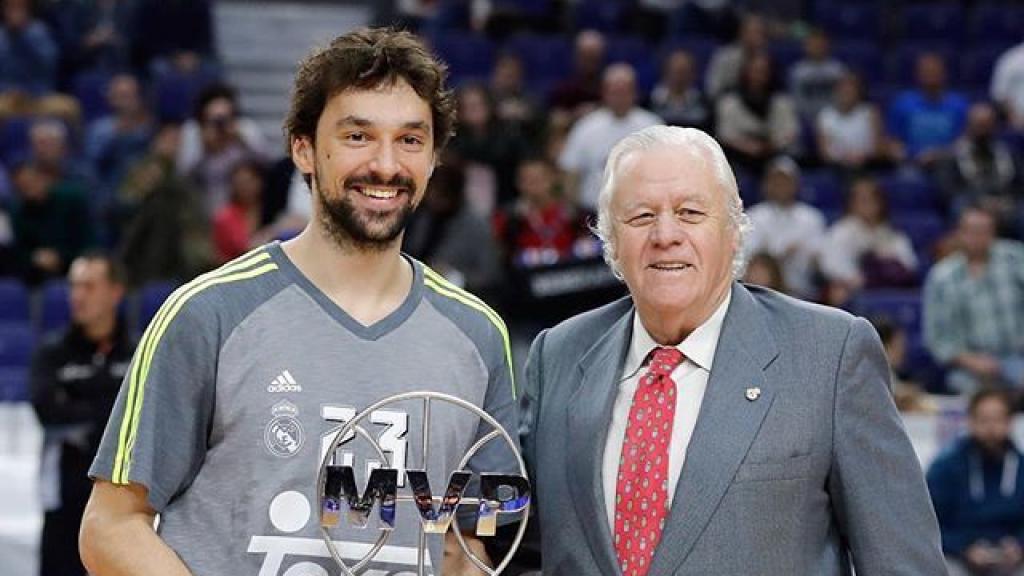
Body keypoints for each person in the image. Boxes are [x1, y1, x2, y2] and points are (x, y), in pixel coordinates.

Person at [80, 28, 519, 576]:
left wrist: (472, 556)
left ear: (433, 159)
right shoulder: (208, 313)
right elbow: (111, 525)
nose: (386, 165)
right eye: (358, 136)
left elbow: (481, 534)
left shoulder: (479, 334)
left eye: (410, 140)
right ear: (303, 148)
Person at [520, 125, 945, 575]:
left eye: (689, 212)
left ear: (734, 230)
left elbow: (904, 563)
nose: (666, 234)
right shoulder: (558, 355)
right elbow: (518, 550)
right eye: (641, 217)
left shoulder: (830, 354)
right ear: (610, 242)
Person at [30, 252, 133, 576]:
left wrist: (82, 407)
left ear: (115, 292)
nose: (77, 296)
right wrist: (108, 410)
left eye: (89, 286)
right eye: (74, 286)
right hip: (65, 493)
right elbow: (48, 410)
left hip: (124, 496)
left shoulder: (139, 351)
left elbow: (146, 413)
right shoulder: (51, 352)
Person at [923, 207, 1024, 394]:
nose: (978, 237)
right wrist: (971, 361)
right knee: (968, 389)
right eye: (972, 231)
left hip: (1017, 356)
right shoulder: (941, 277)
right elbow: (936, 339)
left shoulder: (1015, 259)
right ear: (960, 233)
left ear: (993, 232)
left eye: (984, 231)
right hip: (968, 366)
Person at [928, 388, 1024, 575]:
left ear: (1010, 422)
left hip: (1011, 558)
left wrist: (1019, 545)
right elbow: (929, 523)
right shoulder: (946, 467)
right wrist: (963, 547)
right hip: (959, 556)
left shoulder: (1021, 466)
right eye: (983, 420)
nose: (991, 428)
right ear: (970, 421)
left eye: (998, 419)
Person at [559, 63, 661, 211]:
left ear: (635, 93)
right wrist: (572, 209)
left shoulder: (652, 125)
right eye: (615, 92)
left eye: (624, 91)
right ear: (604, 93)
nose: (619, 97)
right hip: (593, 213)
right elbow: (571, 172)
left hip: (641, 213)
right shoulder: (586, 127)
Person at [819, 177, 918, 306]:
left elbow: (909, 265)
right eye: (861, 201)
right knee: (838, 294)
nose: (867, 205)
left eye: (871, 200)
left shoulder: (892, 233)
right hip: (854, 290)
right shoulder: (841, 232)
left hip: (888, 289)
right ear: (851, 204)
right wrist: (853, 279)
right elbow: (830, 265)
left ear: (881, 203)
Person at [743, 156, 825, 300]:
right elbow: (750, 259)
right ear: (766, 184)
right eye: (776, 181)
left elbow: (819, 259)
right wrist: (780, 253)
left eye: (786, 181)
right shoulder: (753, 216)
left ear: (796, 184)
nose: (781, 186)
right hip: (763, 294)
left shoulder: (811, 218)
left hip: (802, 293)